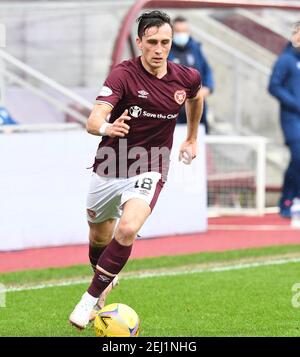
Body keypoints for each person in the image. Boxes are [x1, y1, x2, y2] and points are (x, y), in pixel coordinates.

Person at [69, 10, 203, 329]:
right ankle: (102, 280)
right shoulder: (123, 75)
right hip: (110, 164)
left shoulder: (186, 77)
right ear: (140, 42)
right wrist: (107, 127)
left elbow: (195, 100)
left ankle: (89, 301)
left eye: (166, 42)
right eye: (153, 42)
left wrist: (192, 138)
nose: (160, 49)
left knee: (127, 229)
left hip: (152, 162)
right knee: (99, 234)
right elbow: (93, 120)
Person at [268, 21, 300, 218]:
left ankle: (291, 198)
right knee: (298, 156)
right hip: (291, 119)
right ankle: (287, 199)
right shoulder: (285, 60)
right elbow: (274, 86)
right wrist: (295, 103)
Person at [168, 16, 214, 133]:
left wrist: (207, 89)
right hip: (174, 109)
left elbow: (207, 71)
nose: (181, 35)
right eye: (178, 31)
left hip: (197, 107)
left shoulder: (195, 48)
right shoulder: (166, 51)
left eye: (184, 31)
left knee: (198, 145)